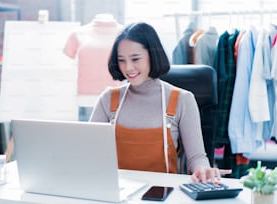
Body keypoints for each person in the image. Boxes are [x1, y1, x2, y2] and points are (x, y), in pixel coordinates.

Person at [89, 22, 231, 183]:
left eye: (135, 59)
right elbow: (90, 150)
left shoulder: (182, 100)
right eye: (121, 60)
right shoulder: (108, 99)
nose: (128, 68)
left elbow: (197, 157)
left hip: (162, 193)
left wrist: (202, 169)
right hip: (116, 192)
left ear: (152, 55)